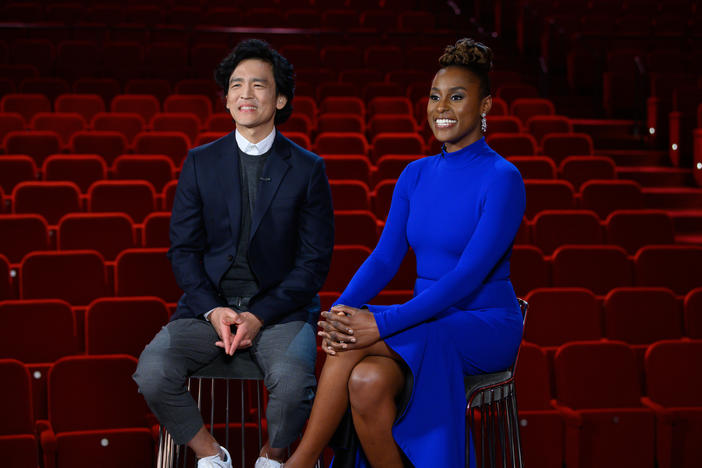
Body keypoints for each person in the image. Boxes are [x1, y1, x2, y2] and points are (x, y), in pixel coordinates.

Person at [284, 38, 526, 468]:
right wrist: (342, 310)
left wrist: (380, 323)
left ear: (485, 105)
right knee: (365, 380)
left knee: (353, 345)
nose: (442, 107)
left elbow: (467, 276)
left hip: (483, 324)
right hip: (427, 319)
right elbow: (383, 258)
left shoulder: (503, 178)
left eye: (457, 96)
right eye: (435, 96)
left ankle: (299, 462)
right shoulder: (414, 174)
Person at [133, 39, 334, 468]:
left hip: (281, 310)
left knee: (295, 382)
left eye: (258, 85)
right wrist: (213, 310)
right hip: (208, 307)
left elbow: (314, 262)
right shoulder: (200, 161)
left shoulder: (308, 168)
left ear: (279, 98)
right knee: (152, 371)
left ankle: (271, 456)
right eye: (236, 85)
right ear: (226, 99)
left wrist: (260, 314)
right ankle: (212, 455)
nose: (246, 94)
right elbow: (183, 251)